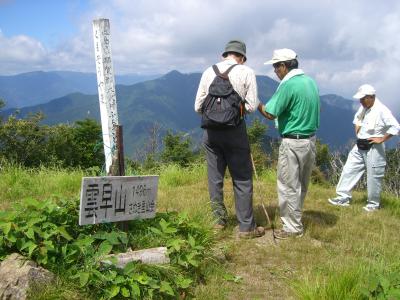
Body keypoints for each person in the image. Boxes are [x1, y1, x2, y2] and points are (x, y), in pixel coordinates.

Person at [194, 40, 265, 238]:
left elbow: (198, 106)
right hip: (235, 131)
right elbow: (251, 106)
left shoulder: (208, 72)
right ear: (241, 57)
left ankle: (217, 221)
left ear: (224, 54)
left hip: (210, 133)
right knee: (242, 178)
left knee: (215, 178)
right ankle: (245, 227)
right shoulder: (246, 71)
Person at [258, 48, 320, 239]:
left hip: (292, 141)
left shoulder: (288, 85)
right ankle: (296, 219)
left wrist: (256, 103)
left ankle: (292, 228)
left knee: (288, 184)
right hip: (310, 140)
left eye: (276, 67)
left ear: (284, 66)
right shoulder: (310, 82)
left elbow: (270, 112)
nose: (275, 71)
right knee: (301, 184)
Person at [328, 84, 400, 211]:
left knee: (373, 176)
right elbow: (357, 119)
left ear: (371, 97)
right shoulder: (364, 107)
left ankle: (373, 205)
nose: (360, 101)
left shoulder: (382, 110)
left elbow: (395, 127)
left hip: (374, 148)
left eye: (363, 98)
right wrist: (358, 129)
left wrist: (382, 139)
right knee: (349, 169)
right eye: (360, 99)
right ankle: (343, 197)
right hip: (359, 145)